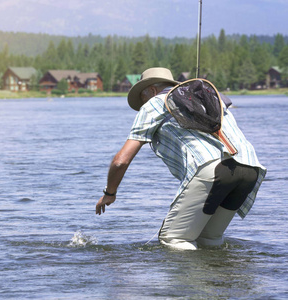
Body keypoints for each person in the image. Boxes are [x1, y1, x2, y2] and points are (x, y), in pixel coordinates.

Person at [95, 67, 266, 250]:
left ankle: (188, 280)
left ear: (152, 91)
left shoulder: (154, 103)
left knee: (173, 239)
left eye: (142, 98)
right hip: (250, 168)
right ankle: (221, 277)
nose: (142, 105)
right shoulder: (209, 98)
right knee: (209, 238)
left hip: (213, 168)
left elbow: (121, 160)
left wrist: (109, 193)